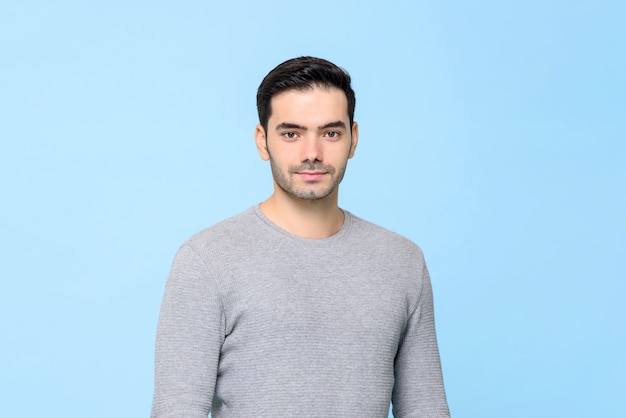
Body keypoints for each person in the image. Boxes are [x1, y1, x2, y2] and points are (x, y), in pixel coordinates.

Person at [151, 56, 450, 417]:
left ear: (353, 139)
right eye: (291, 133)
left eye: (330, 133)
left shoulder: (402, 262)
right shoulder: (206, 260)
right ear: (262, 141)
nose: (312, 153)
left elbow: (426, 409)